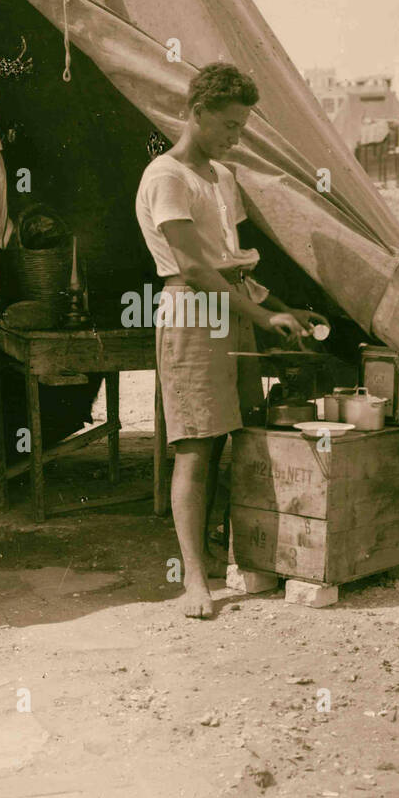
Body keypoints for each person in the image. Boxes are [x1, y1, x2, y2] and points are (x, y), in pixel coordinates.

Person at [135, 62, 320, 619]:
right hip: (193, 315)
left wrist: (280, 308)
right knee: (196, 445)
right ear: (196, 113)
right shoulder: (167, 176)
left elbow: (231, 265)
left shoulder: (222, 179)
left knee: (241, 432)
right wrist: (263, 322)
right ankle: (194, 579)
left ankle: (243, 555)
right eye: (230, 126)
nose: (236, 137)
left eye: (242, 127)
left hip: (233, 309)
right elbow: (194, 268)